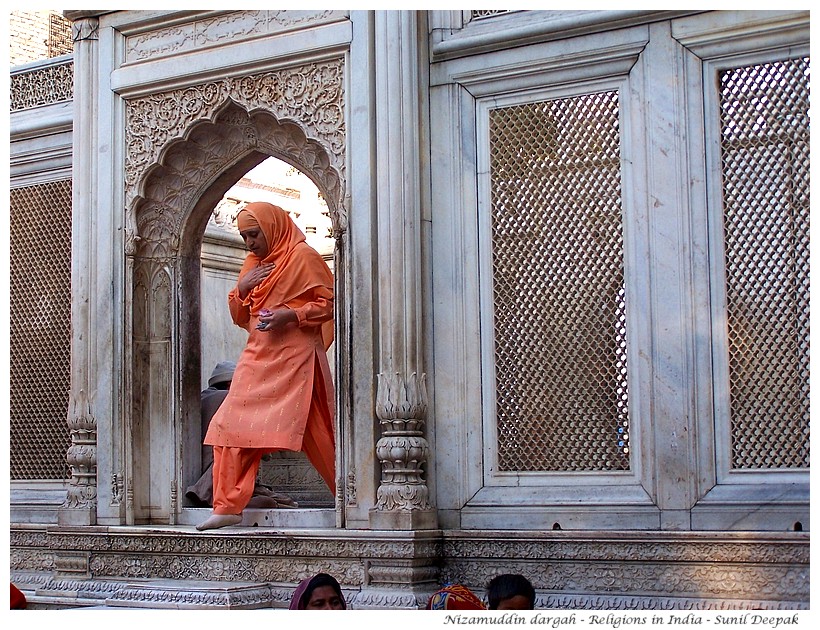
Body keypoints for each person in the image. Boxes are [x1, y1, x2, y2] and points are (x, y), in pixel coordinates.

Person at [197, 202, 335, 531]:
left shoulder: (303, 257)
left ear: (272, 228)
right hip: (258, 357)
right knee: (227, 428)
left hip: (296, 358)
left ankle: (356, 496)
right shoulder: (254, 263)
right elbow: (241, 315)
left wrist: (292, 314)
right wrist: (242, 290)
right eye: (244, 236)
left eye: (254, 235)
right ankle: (227, 505)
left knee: (320, 433)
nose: (249, 243)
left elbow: (329, 303)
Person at [185, 361, 298, 509]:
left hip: (207, 475)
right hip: (217, 477)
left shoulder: (201, 398)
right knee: (276, 502)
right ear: (230, 383)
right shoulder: (228, 399)